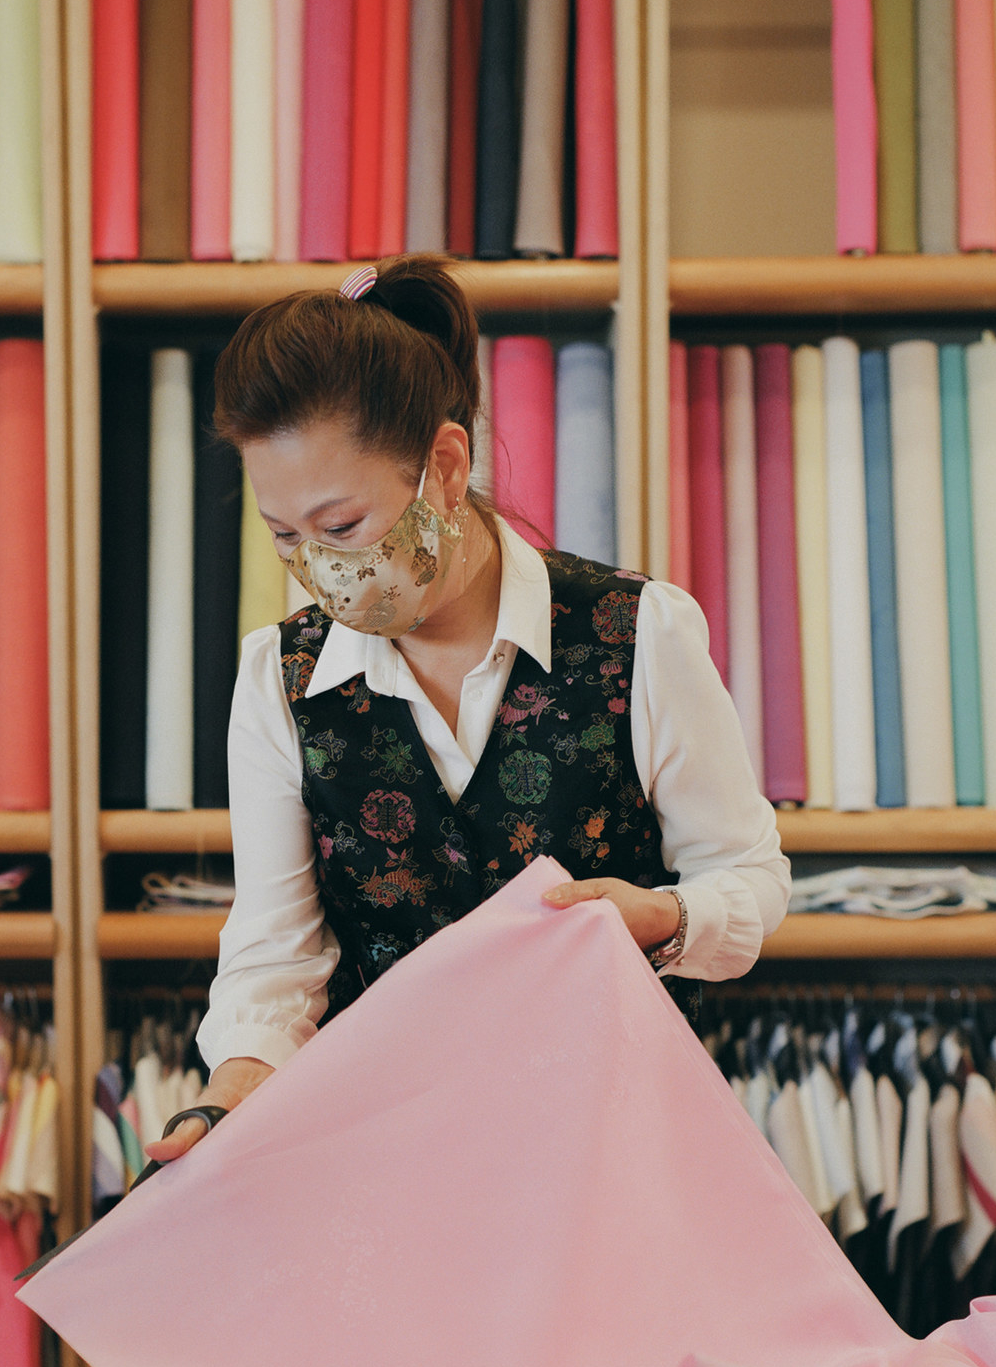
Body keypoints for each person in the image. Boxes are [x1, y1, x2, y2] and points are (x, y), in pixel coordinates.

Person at [149, 256, 789, 1161]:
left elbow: (752, 878)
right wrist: (231, 1094)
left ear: (444, 466)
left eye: (341, 527)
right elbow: (275, 960)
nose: (319, 568)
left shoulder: (637, 635)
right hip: (391, 1165)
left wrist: (667, 919)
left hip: (617, 1158)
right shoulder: (278, 683)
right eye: (284, 536)